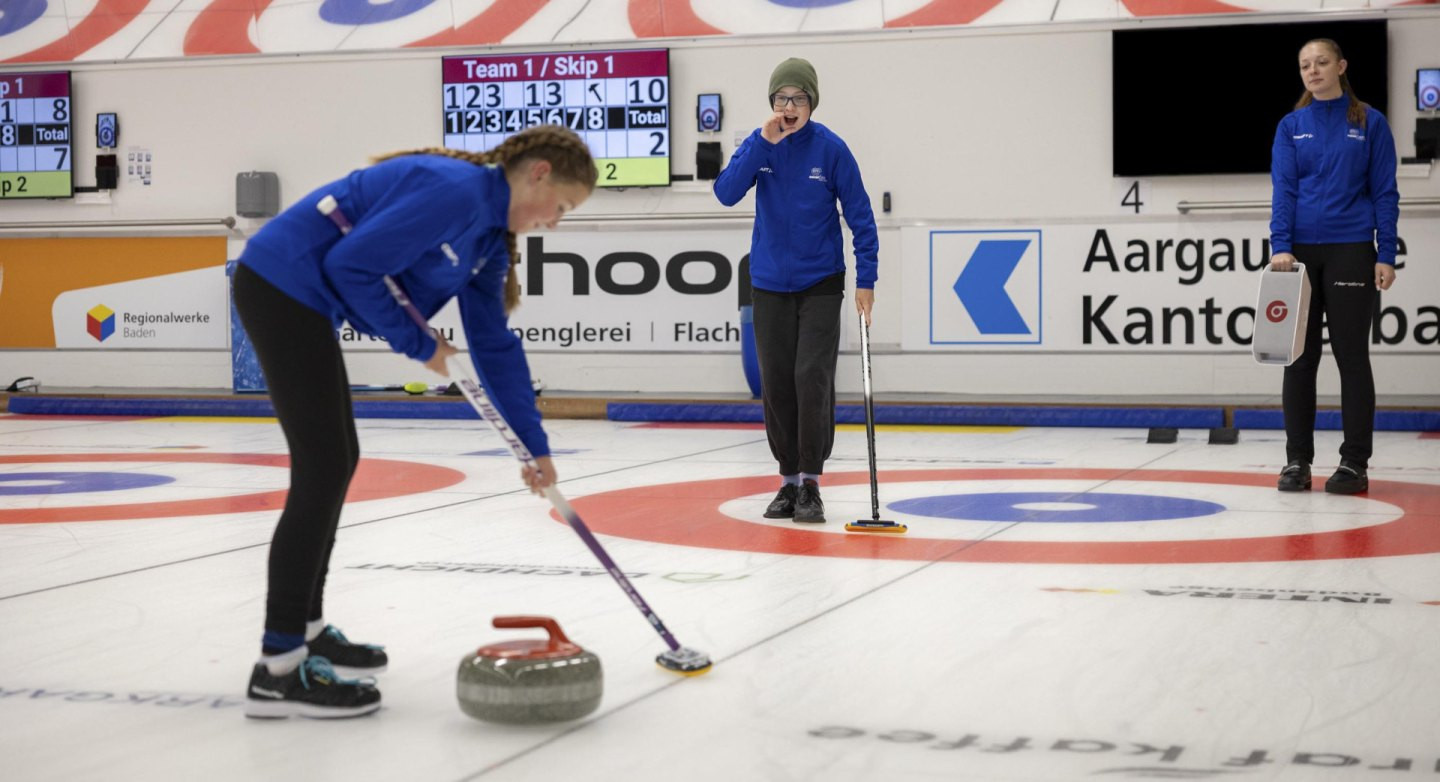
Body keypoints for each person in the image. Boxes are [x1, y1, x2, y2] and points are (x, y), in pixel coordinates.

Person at [232, 125, 597, 718]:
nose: (553, 222)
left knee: (336, 461)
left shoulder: (487, 239)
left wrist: (535, 447)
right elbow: (352, 266)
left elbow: (494, 344)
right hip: (280, 282)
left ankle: (309, 628)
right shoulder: (452, 190)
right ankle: (278, 669)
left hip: (305, 298)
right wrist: (422, 346)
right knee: (323, 467)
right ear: (538, 174)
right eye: (561, 207)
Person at [714, 57, 879, 524]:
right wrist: (761, 145)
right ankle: (786, 482)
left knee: (812, 377)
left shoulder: (831, 149)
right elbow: (726, 193)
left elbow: (861, 215)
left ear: (812, 103)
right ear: (772, 103)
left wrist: (867, 277)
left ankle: (811, 483)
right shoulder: (759, 144)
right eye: (782, 98)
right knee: (778, 382)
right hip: (768, 284)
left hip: (821, 283)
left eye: (799, 98)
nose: (790, 106)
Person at [1269, 38, 1399, 495]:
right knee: (1299, 360)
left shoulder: (1370, 122)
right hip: (1299, 255)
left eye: (1322, 62)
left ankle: (1354, 463)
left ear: (1341, 66)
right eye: (1305, 64)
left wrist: (1386, 253)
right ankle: (1296, 462)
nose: (1313, 70)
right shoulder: (1291, 126)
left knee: (1352, 358)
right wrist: (1280, 246)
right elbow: (1283, 190)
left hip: (1352, 250)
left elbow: (1385, 192)